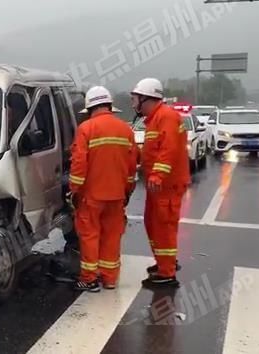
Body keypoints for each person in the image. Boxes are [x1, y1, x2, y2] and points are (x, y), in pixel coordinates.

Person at [67, 86, 138, 292]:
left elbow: (79, 164)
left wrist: (74, 190)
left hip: (92, 195)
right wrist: (127, 190)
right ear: (109, 106)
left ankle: (89, 279)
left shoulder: (86, 129)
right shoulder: (126, 130)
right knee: (112, 235)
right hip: (117, 195)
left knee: (90, 235)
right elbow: (132, 166)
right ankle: (109, 279)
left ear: (90, 108)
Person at [130, 78, 190, 288]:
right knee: (153, 223)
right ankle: (164, 262)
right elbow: (155, 150)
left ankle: (167, 272)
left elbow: (169, 150)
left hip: (167, 185)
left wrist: (157, 175)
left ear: (146, 98)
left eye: (135, 98)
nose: (132, 103)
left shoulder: (166, 117)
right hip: (159, 186)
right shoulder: (156, 119)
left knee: (163, 226)